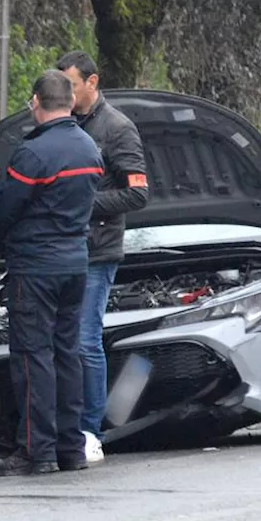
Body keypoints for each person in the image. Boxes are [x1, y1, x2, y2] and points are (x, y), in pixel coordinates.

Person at [0, 70, 103, 476]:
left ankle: (37, 450)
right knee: (67, 355)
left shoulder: (32, 154)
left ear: (35, 102)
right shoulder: (89, 148)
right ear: (70, 103)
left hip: (35, 268)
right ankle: (70, 447)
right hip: (75, 265)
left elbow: (5, 211)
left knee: (34, 359)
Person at [56, 51, 148, 458]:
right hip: (61, 248)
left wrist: (83, 201)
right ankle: (63, 424)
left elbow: (138, 192)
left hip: (98, 250)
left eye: (71, 86)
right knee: (63, 339)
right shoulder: (62, 123)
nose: (66, 94)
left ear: (92, 83)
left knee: (85, 340)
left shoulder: (117, 128)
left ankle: (91, 431)